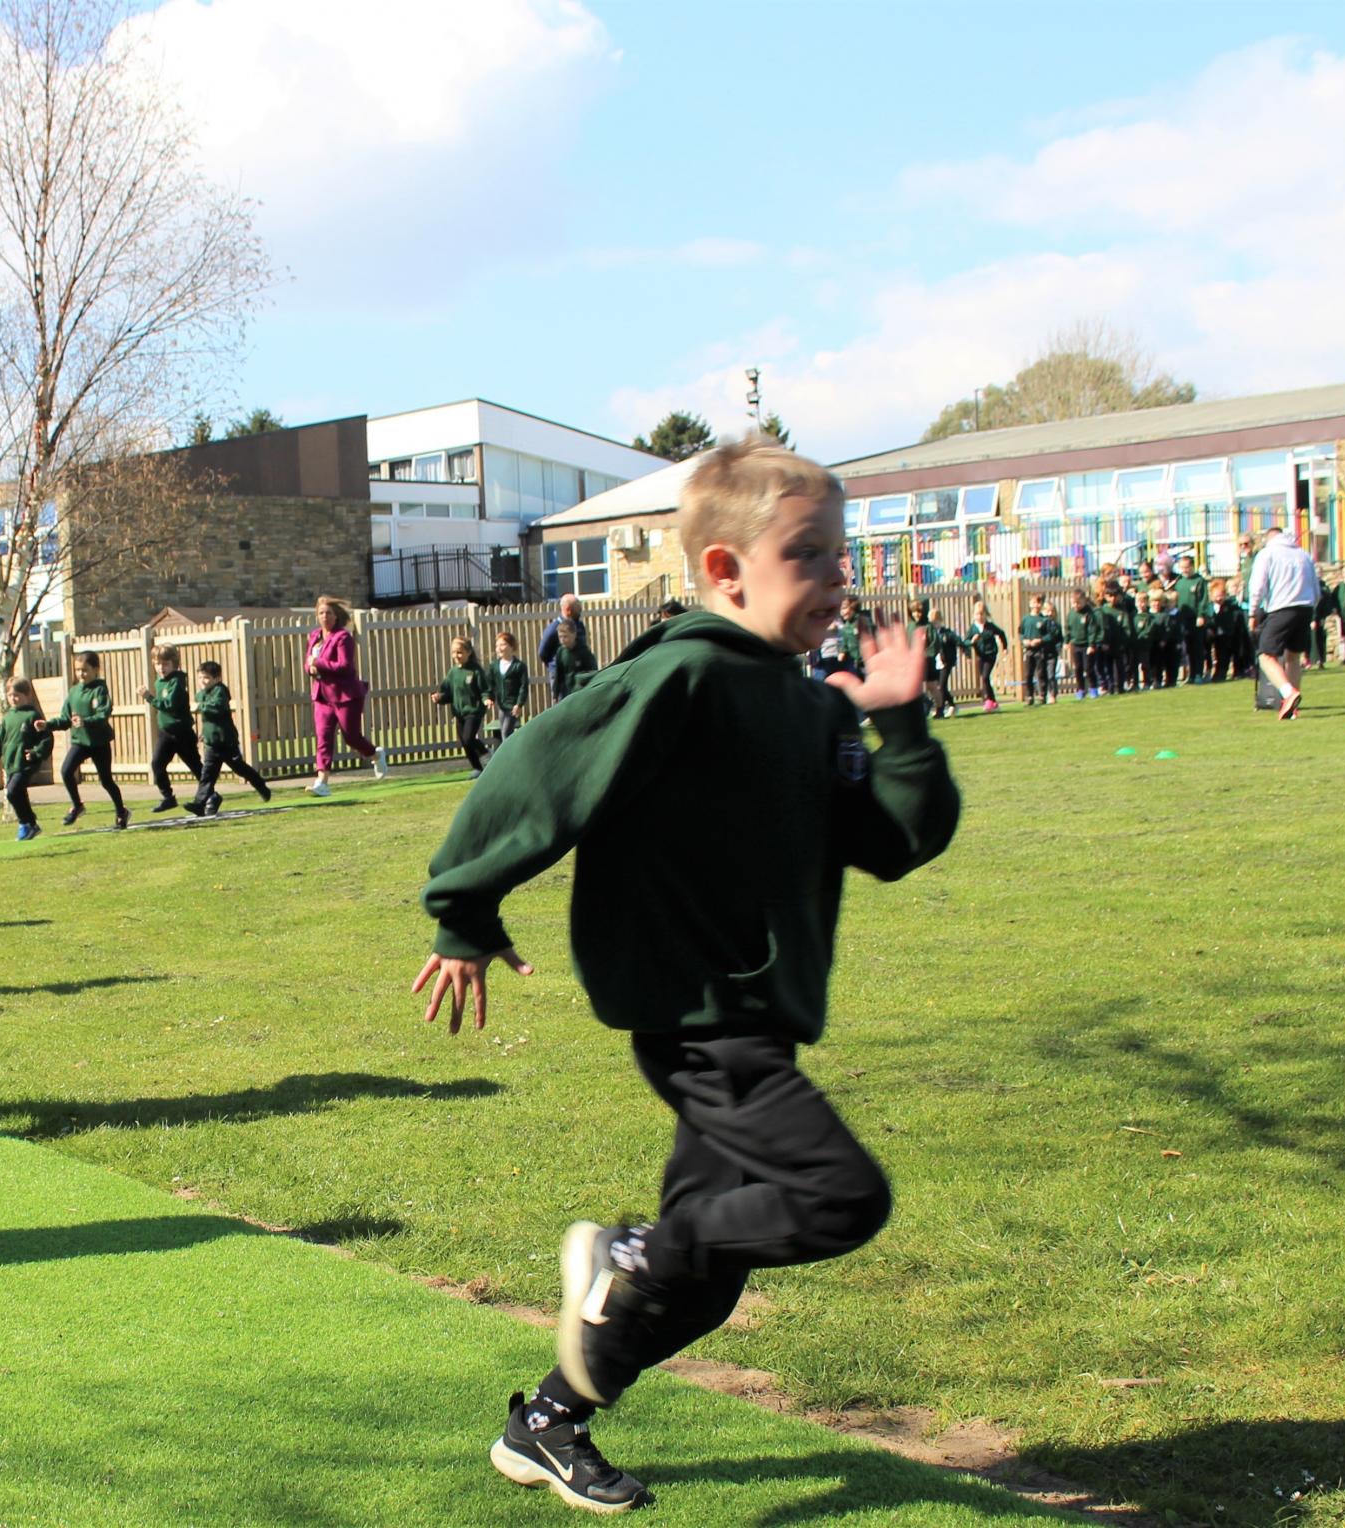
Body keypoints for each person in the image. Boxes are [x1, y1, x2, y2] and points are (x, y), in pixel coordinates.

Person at [410, 437, 957, 1516]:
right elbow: (535, 771)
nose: (837, 578)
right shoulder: (684, 673)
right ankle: (629, 1249)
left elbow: (898, 839)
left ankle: (548, 1423)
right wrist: (463, 911)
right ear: (726, 570)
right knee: (839, 1196)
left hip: (756, 1020)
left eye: (841, 557)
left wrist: (897, 721)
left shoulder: (811, 706)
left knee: (703, 1286)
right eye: (810, 554)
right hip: (701, 1020)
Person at [305, 595, 385, 798]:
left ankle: (375, 754)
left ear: (336, 616)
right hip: (322, 696)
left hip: (345, 695)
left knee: (351, 736)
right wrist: (311, 668)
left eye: (329, 613)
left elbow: (345, 666)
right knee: (323, 737)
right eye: (321, 613)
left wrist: (319, 663)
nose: (325, 617)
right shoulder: (314, 636)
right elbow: (309, 662)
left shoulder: (343, 638)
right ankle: (322, 782)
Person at [38, 649, 128, 829]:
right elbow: (65, 719)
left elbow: (103, 714)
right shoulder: (73, 692)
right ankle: (77, 806)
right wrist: (47, 725)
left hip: (99, 742)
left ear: (96, 669)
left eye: (85, 670)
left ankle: (121, 812)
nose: (81, 674)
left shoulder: (100, 689)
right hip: (80, 742)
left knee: (106, 780)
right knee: (65, 771)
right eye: (78, 670)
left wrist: (86, 721)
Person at [1245, 525, 1320, 720]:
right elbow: (1316, 587)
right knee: (1293, 657)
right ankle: (1292, 708)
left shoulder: (1267, 554)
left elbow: (1257, 586)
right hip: (1305, 607)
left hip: (1280, 608)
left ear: (1269, 539)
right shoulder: (1304, 555)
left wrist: (1253, 613)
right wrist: (1312, 608)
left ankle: (1288, 693)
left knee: (1265, 656)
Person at [189, 659, 270, 815]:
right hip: (212, 744)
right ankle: (199, 804)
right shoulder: (200, 695)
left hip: (226, 741)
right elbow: (208, 719)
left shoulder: (220, 691)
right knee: (207, 775)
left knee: (239, 768)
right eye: (200, 677)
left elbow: (218, 708)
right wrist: (204, 733)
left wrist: (201, 706)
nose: (203, 681)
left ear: (217, 678)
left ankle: (261, 785)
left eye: (206, 677)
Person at [0, 674, 53, 841]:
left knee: (12, 792)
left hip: (26, 762)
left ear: (27, 696)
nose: (13, 699)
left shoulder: (32, 715)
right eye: (10, 695)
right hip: (11, 763)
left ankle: (24, 823)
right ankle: (32, 825)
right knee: (18, 793)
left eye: (17, 695)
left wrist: (36, 752)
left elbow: (46, 738)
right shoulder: (8, 717)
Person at [137, 645, 203, 812]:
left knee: (196, 766)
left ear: (174, 664)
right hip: (166, 733)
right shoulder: (160, 682)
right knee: (157, 764)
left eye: (165, 664)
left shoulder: (177, 682)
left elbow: (169, 705)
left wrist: (148, 697)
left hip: (182, 733)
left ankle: (209, 796)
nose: (161, 668)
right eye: (158, 664)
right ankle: (168, 797)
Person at [434, 636, 491, 775]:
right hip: (458, 713)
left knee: (469, 738)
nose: (456, 656)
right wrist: (438, 698)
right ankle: (477, 768)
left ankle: (486, 754)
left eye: (460, 652)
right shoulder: (453, 673)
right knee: (464, 742)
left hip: (474, 711)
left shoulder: (475, 670)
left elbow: (484, 689)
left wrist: (486, 699)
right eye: (454, 652)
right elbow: (447, 693)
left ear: (468, 652)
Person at [482, 630, 529, 755]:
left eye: (502, 645)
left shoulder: (519, 666)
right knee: (505, 731)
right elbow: (490, 684)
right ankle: (517, 754)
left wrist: (519, 704)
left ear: (511, 646)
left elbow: (523, 687)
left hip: (513, 706)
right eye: (497, 645)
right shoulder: (494, 666)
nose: (499, 648)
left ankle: (509, 758)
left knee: (506, 733)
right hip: (501, 705)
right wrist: (489, 698)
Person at [1170, 552, 1211, 681]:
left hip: (1195, 619)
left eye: (1187, 567)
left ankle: (1198, 673)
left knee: (1197, 647)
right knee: (1186, 648)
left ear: (1192, 566)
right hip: (1182, 619)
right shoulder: (1179, 581)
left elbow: (1203, 600)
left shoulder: (1199, 581)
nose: (1184, 570)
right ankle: (1190, 675)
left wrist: (1201, 615)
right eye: (1182, 568)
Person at [964, 603, 1007, 712]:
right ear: (974, 615)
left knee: (985, 676)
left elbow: (1001, 634)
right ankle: (993, 702)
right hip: (980, 656)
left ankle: (988, 700)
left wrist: (1005, 647)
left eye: (982, 614)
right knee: (984, 678)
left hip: (990, 654)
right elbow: (966, 642)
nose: (980, 617)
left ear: (986, 614)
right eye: (977, 614)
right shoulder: (973, 629)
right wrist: (972, 642)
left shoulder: (990, 626)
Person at [1204, 579, 1248, 681]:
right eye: (1216, 595)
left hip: (1230, 635)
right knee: (1219, 655)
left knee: (1232, 654)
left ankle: (1236, 672)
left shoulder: (1231, 606)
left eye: (1221, 595)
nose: (1219, 598)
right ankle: (1218, 673)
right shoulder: (1209, 607)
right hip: (1215, 635)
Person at [1019, 595, 1059, 705]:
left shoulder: (1044, 619)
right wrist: (1024, 641)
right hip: (1028, 650)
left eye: (1039, 603)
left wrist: (1040, 640)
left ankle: (1042, 695)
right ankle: (1029, 696)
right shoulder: (1026, 619)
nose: (1036, 605)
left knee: (1041, 673)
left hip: (1040, 650)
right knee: (1028, 674)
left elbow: (1050, 635)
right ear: (1030, 604)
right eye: (1034, 603)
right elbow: (1020, 633)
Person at [548, 618, 599, 699]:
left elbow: (592, 672)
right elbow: (559, 674)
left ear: (574, 634)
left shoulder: (584, 652)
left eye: (565, 636)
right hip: (566, 693)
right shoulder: (560, 652)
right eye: (560, 637)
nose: (562, 640)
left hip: (581, 693)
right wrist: (555, 694)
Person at [1064, 588, 1100, 700]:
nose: (1076, 605)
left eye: (1078, 603)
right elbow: (1067, 629)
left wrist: (1091, 644)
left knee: (1088, 668)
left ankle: (1093, 688)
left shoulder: (1089, 613)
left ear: (1084, 601)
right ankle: (1081, 689)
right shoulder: (1071, 614)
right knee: (1078, 668)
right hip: (1076, 645)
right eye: (1073, 603)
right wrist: (1066, 641)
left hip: (1087, 645)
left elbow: (1092, 630)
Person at [537, 591, 590, 667]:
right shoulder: (553, 629)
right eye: (577, 607)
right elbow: (543, 653)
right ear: (568, 610)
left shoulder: (580, 625)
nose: (580, 609)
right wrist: (554, 665)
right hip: (560, 674)